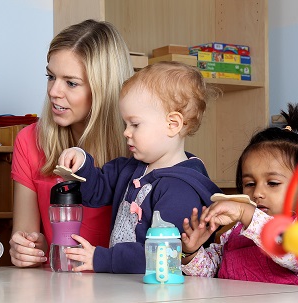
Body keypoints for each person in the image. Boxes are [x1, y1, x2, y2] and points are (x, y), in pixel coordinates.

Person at [58, 61, 222, 273]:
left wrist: (103, 258)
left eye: (135, 124)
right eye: (126, 124)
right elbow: (95, 192)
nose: (126, 132)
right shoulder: (128, 168)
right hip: (127, 287)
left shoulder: (181, 189)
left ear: (172, 124)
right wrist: (81, 163)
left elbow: (162, 254)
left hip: (161, 294)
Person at [9, 19, 134, 267]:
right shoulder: (29, 141)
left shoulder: (137, 146)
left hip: (122, 292)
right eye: (50, 76)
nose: (54, 91)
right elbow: (26, 236)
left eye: (71, 82)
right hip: (58, 289)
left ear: (103, 89)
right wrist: (28, 249)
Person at [181, 103, 298, 286]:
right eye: (249, 184)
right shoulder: (236, 233)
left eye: (273, 183)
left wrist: (247, 214)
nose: (257, 193)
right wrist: (192, 252)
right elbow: (211, 273)